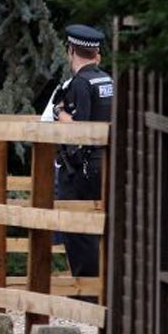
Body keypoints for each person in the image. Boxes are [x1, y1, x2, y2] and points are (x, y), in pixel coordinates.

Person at [50, 24, 113, 281]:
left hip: (83, 167)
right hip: (104, 162)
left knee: (77, 228)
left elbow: (81, 129)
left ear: (71, 50)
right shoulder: (106, 79)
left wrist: (59, 113)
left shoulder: (80, 83)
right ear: (96, 53)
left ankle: (88, 291)